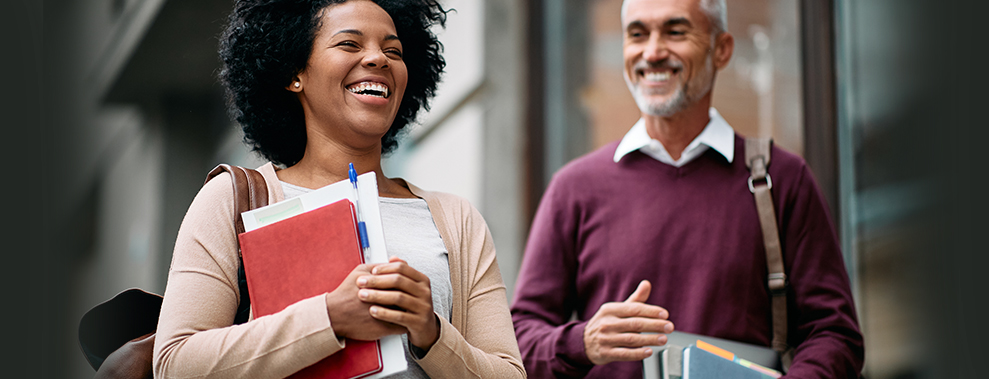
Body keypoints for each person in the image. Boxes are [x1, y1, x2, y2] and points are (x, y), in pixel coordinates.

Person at [152, 0, 526, 378]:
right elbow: (175, 364)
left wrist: (431, 333)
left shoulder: (456, 218)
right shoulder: (231, 199)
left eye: (393, 50)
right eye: (350, 44)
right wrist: (330, 317)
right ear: (294, 71)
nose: (379, 59)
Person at [509, 0, 864, 377]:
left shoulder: (783, 179)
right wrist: (582, 342)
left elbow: (834, 333)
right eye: (637, 34)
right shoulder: (574, 188)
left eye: (675, 32)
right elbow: (517, 342)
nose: (653, 52)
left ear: (721, 48)